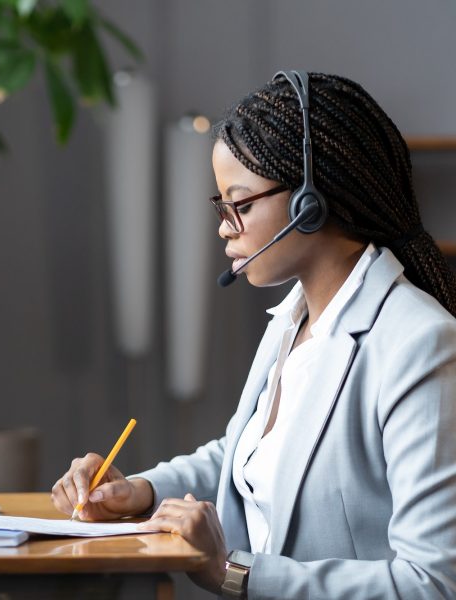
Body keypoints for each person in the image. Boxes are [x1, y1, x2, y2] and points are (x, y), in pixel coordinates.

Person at [51, 71, 456, 599]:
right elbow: (250, 457)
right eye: (221, 206)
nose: (224, 226)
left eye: (239, 205)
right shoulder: (295, 320)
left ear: (310, 203)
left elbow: (433, 585)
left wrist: (233, 573)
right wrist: (140, 492)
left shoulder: (418, 344)